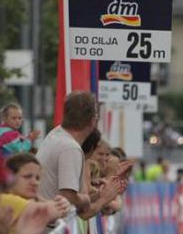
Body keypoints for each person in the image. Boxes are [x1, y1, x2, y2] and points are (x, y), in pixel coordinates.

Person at [37, 91, 131, 219]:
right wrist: (103, 198)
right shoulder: (70, 148)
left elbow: (72, 197)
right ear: (93, 120)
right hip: (50, 225)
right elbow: (69, 198)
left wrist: (101, 194)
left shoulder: (56, 134)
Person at [0, 153, 71, 234]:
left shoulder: (26, 202)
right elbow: (54, 210)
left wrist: (45, 200)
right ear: (9, 178)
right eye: (27, 177)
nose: (34, 182)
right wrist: (63, 204)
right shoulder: (7, 199)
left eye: (38, 178)